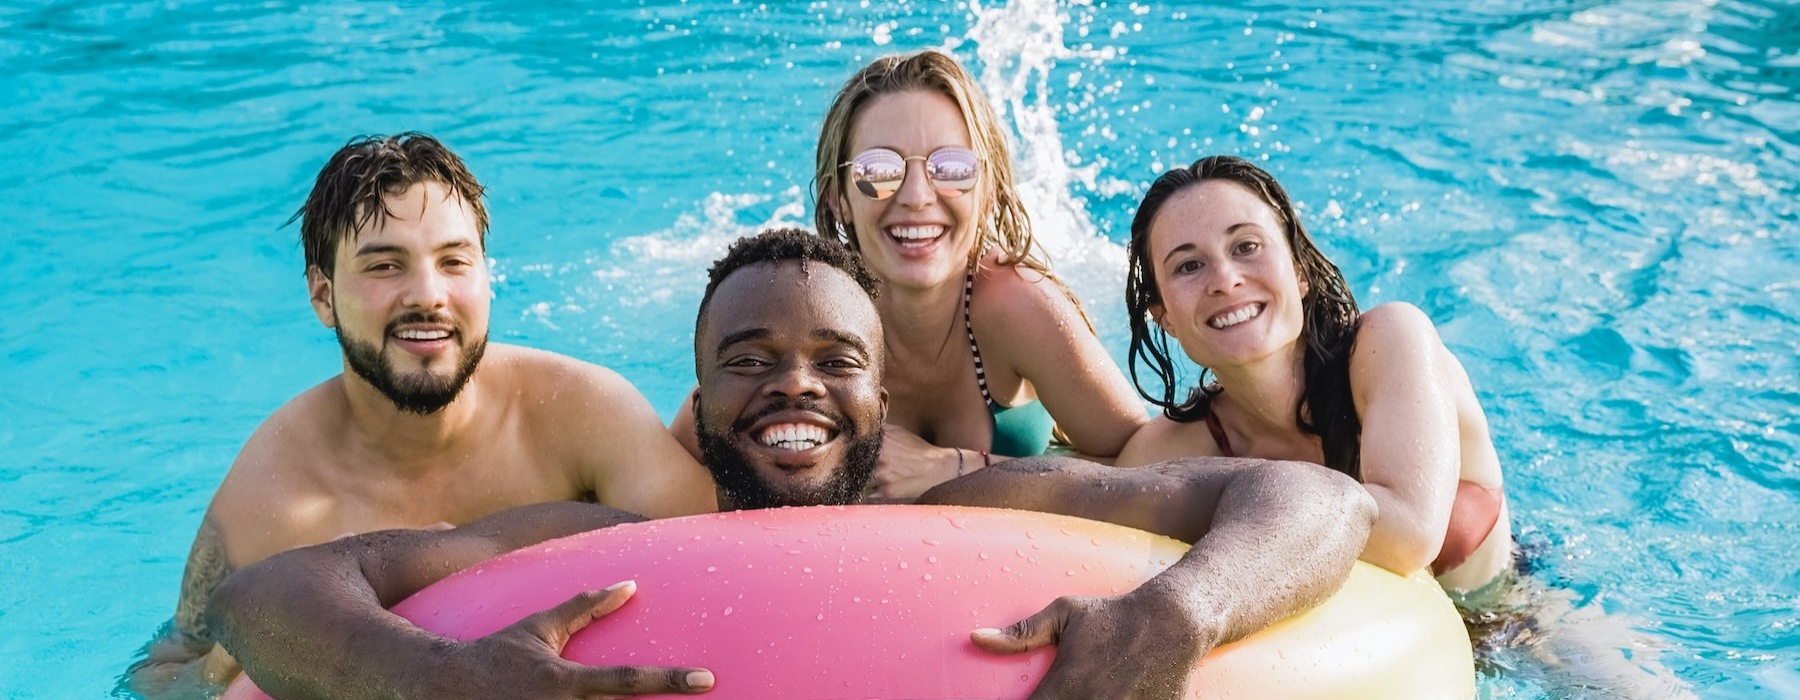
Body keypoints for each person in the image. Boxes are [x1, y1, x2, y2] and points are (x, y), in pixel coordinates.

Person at [209, 229, 1376, 699]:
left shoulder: (971, 500)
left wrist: (1184, 607)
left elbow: (1313, 497)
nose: (796, 386)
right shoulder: (610, 538)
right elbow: (268, 592)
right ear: (702, 393)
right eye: (750, 359)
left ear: (878, 386)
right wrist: (435, 675)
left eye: (835, 358)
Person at [127, 133, 718, 697]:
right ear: (322, 296)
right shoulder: (277, 500)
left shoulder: (581, 411)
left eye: (454, 262)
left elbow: (728, 554)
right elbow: (159, 679)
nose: (427, 295)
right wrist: (228, 668)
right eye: (385, 266)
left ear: (487, 279)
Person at [675, 51, 1148, 499]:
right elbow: (683, 451)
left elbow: (1147, 462)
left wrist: (953, 468)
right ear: (838, 195)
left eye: (952, 167)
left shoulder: (1016, 304)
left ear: (987, 191)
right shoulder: (809, 305)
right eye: (878, 169)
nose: (918, 195)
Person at [1114, 154, 1512, 592]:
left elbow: (1408, 538)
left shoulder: (1390, 343)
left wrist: (1221, 495)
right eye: (1189, 266)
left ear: (1299, 271)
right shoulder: (1167, 454)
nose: (1225, 280)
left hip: (1522, 630)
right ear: (1164, 316)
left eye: (1247, 246)